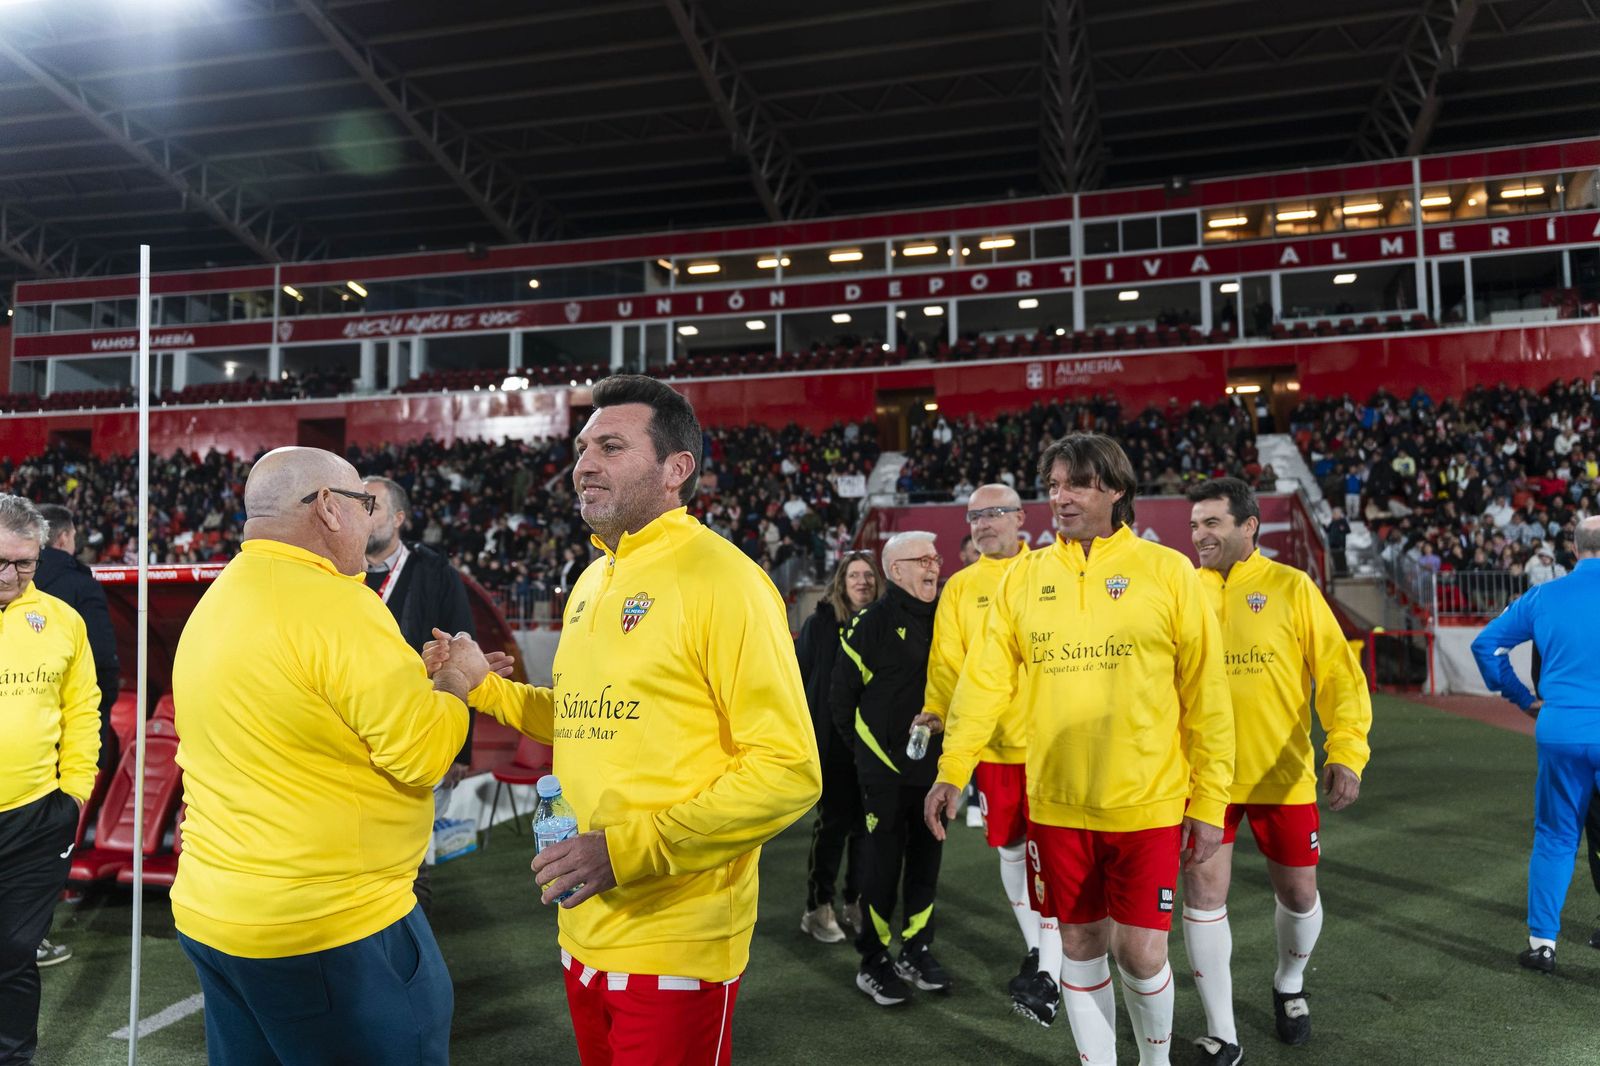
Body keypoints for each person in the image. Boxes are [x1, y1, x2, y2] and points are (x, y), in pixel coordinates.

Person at [424, 375, 820, 1064]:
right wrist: (486, 689)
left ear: (677, 469)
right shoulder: (591, 580)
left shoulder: (726, 582)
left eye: (610, 445)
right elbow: (582, 716)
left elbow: (789, 772)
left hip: (677, 936)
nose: (583, 464)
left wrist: (624, 852)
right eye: (582, 447)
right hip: (583, 926)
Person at [925, 434, 1234, 1066]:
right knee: (1080, 943)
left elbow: (1207, 697)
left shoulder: (1168, 571)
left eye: (1077, 485)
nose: (1060, 498)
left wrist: (1210, 800)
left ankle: (1154, 1061)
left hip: (1147, 802)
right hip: (1057, 803)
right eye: (1054, 486)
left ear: (1115, 489)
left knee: (1142, 952)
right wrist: (953, 770)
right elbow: (984, 681)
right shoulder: (1025, 577)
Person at [171, 447, 483, 1065]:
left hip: (215, 911)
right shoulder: (338, 603)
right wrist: (457, 682)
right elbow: (423, 755)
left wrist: (402, 679)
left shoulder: (217, 598)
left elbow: (298, 710)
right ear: (330, 510)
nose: (371, 520)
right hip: (331, 923)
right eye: (365, 504)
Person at [1184, 478, 1373, 1063]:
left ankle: (1288, 986)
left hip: (1281, 775)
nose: (1200, 535)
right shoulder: (1180, 589)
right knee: (1202, 897)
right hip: (1200, 781)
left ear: (1249, 526)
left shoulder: (1291, 587)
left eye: (1212, 523)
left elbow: (1339, 676)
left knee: (1298, 894)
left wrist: (1346, 749)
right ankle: (1224, 1031)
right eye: (1194, 525)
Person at [916, 485, 1055, 1017]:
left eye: (995, 513)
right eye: (975, 516)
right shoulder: (962, 588)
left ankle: (1059, 956)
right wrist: (937, 707)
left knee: (1058, 856)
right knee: (1012, 851)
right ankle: (1041, 949)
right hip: (996, 749)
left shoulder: (1048, 570)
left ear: (1021, 517)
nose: (984, 523)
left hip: (1051, 745)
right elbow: (948, 663)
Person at [1472, 515, 1600, 974]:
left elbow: (1486, 647)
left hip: (1561, 728)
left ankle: (1543, 944)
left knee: (1555, 838)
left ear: (1573, 546)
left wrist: (1523, 699)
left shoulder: (1544, 596)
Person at [0, 495, 100, 1065]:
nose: (12, 576)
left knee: (14, 948)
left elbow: (83, 709)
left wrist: (75, 791)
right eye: (1, 562)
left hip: (39, 815)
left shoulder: (63, 621)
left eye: (25, 563)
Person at [831, 531, 946, 1006]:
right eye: (922, 559)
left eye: (936, 558)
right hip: (884, 774)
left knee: (927, 861)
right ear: (895, 571)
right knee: (882, 866)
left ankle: (916, 949)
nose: (934, 566)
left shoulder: (946, 616)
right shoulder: (870, 625)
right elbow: (841, 700)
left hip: (937, 772)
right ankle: (873, 959)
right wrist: (869, 760)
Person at [362, 475, 478, 915]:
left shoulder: (434, 573)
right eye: (356, 502)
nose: (362, 511)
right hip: (359, 736)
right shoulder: (336, 572)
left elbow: (462, 656)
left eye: (371, 504)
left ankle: (415, 946)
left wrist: (460, 748)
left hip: (418, 730)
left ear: (398, 519)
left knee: (413, 858)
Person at [31, 503, 121, 972]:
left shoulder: (16, 584)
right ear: (64, 537)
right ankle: (32, 936)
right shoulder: (78, 585)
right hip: (63, 740)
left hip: (20, 738)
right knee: (48, 843)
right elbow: (103, 664)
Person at [796, 550, 881, 943]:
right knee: (832, 828)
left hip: (873, 746)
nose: (862, 582)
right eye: (854, 576)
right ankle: (818, 907)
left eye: (868, 575)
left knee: (868, 830)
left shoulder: (884, 624)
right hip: (832, 745)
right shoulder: (820, 624)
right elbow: (802, 679)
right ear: (841, 583)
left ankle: (856, 901)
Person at [1324, 506, 1351, 578]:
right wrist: (1324, 526)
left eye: (1335, 513)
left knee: (1341, 558)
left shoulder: (1342, 521)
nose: (1334, 515)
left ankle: (1344, 573)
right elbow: (1328, 530)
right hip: (1333, 543)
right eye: (1333, 513)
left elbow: (1348, 530)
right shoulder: (1332, 522)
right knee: (1335, 559)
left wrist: (1342, 529)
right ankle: (1338, 572)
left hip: (1340, 544)